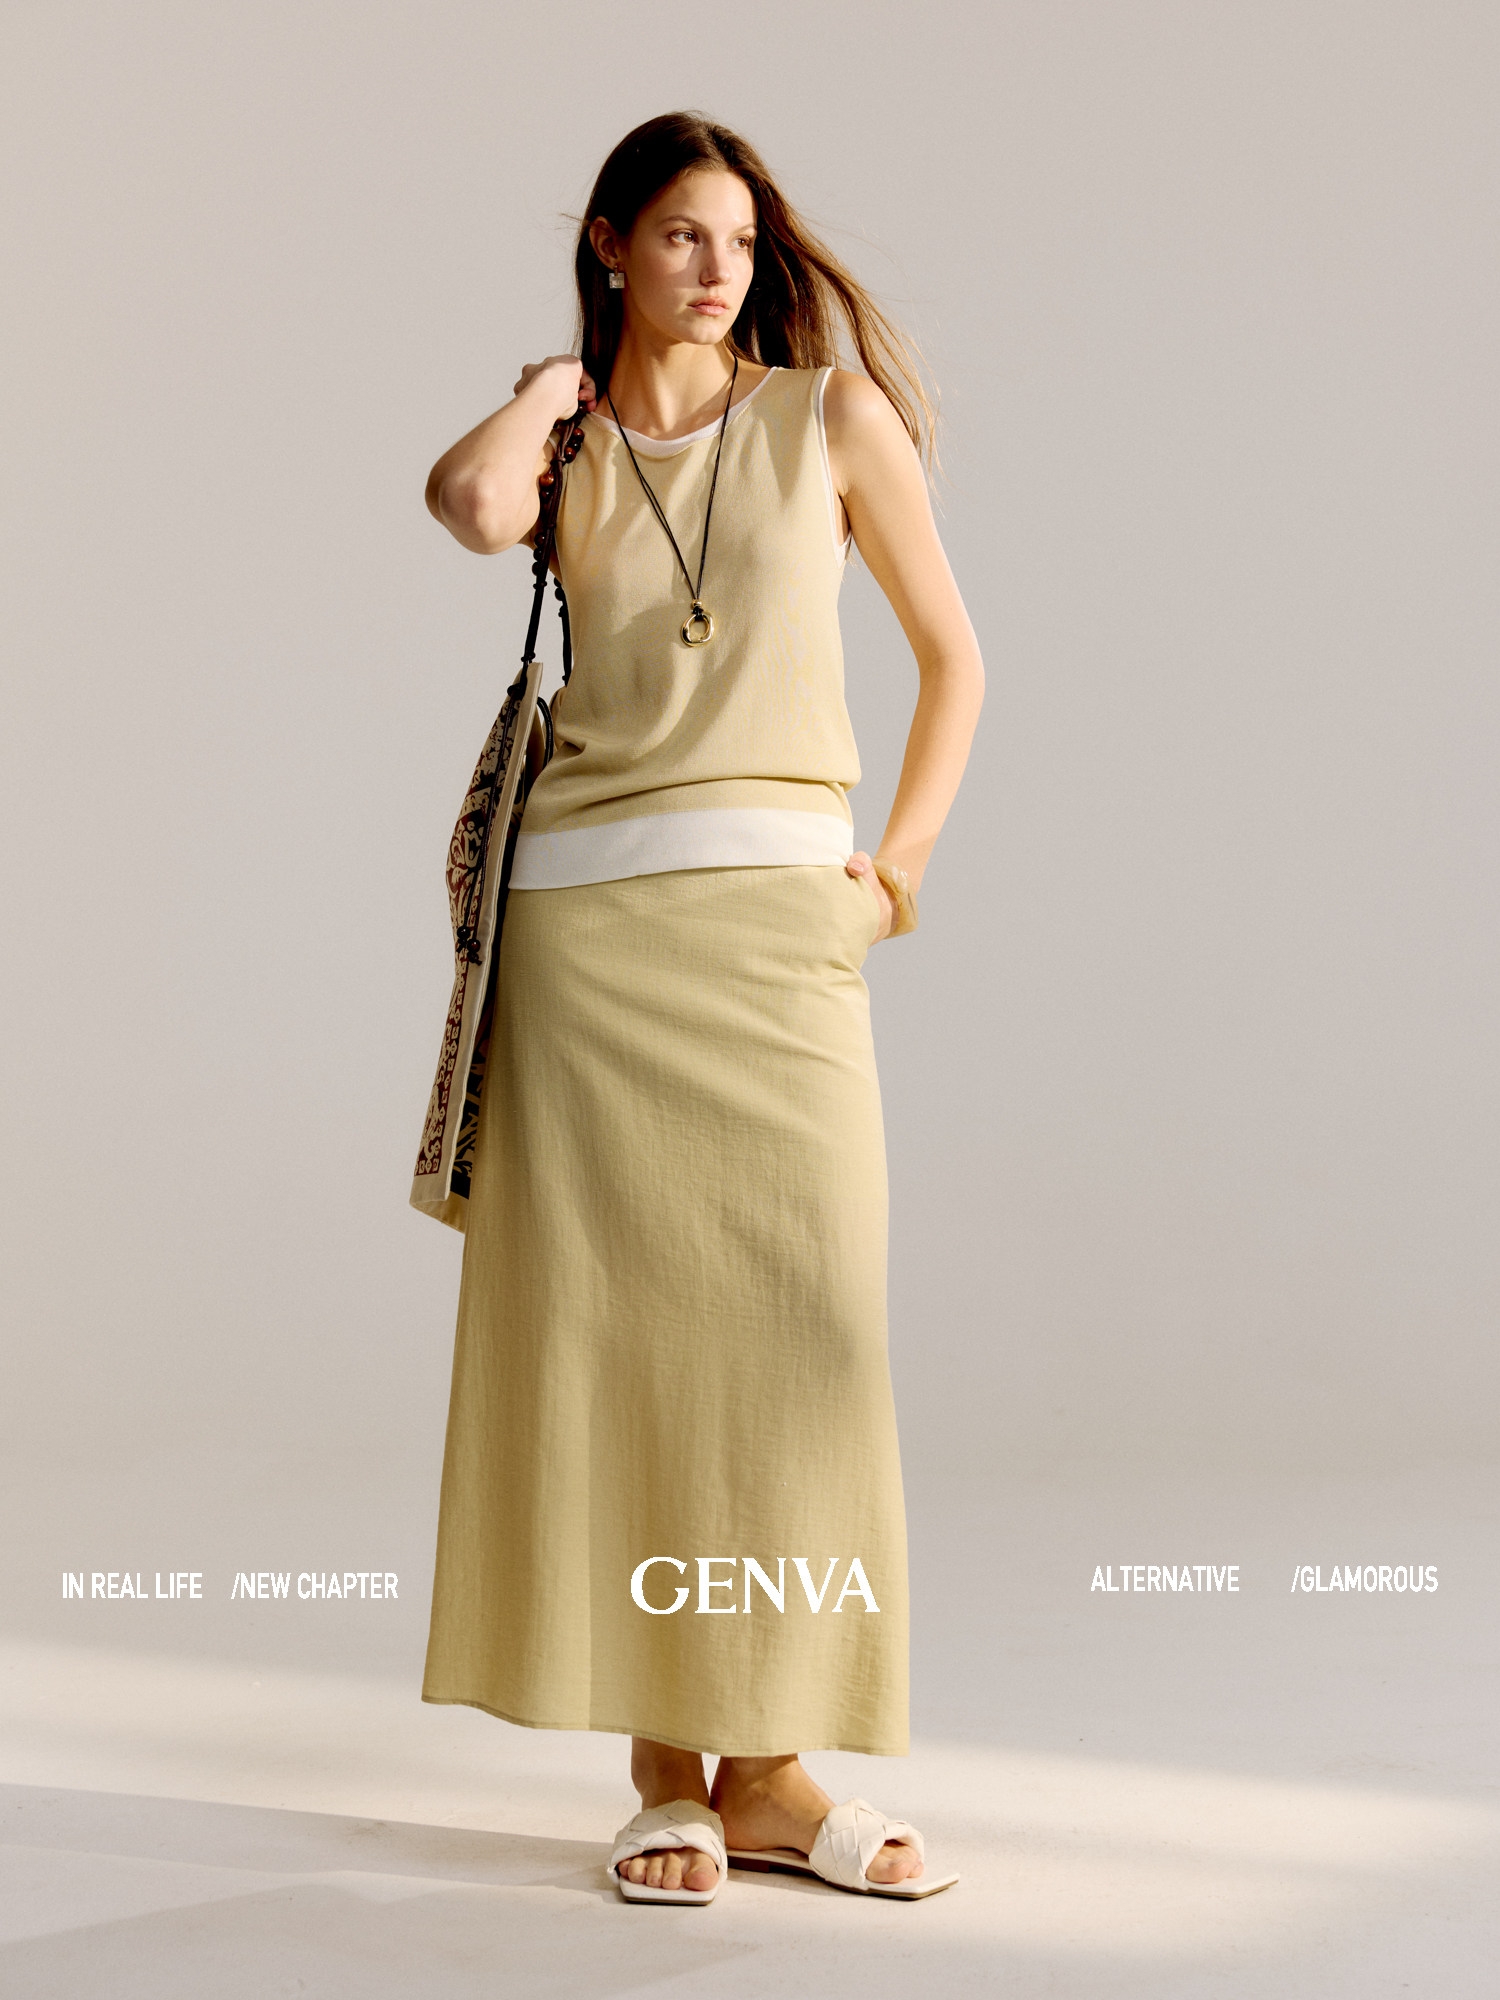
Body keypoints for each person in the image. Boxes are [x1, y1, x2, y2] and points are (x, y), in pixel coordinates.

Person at [419, 111, 984, 1904]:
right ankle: (672, 1770)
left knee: (806, 1346)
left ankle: (782, 1767)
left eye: (738, 239)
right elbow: (469, 509)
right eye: (679, 234)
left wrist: (892, 879)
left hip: (778, 944)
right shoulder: (564, 443)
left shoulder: (828, 420)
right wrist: (546, 388)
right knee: (634, 1356)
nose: (719, 267)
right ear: (609, 244)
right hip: (589, 960)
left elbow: (957, 660)